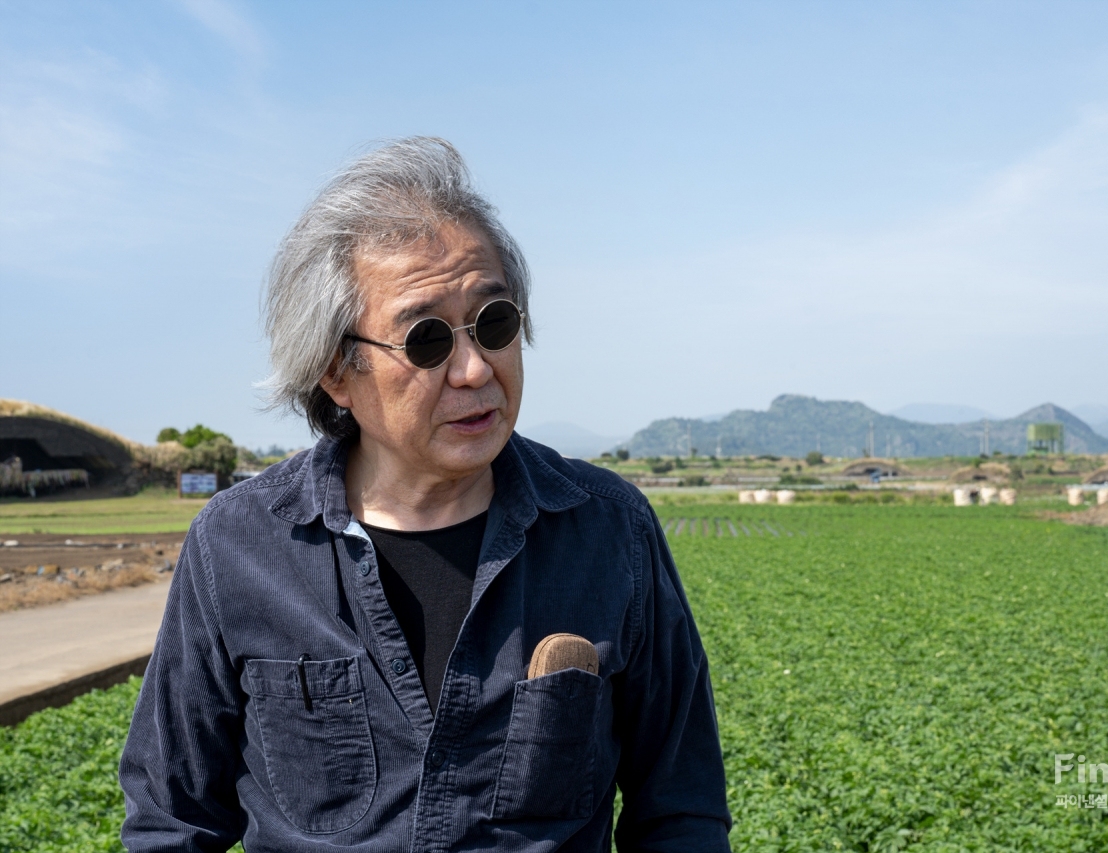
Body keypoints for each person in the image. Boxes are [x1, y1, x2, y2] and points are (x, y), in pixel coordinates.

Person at [119, 138, 731, 852]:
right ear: (335, 372)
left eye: (495, 323)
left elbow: (680, 809)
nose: (475, 368)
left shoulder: (608, 529)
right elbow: (172, 819)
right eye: (427, 339)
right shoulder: (239, 545)